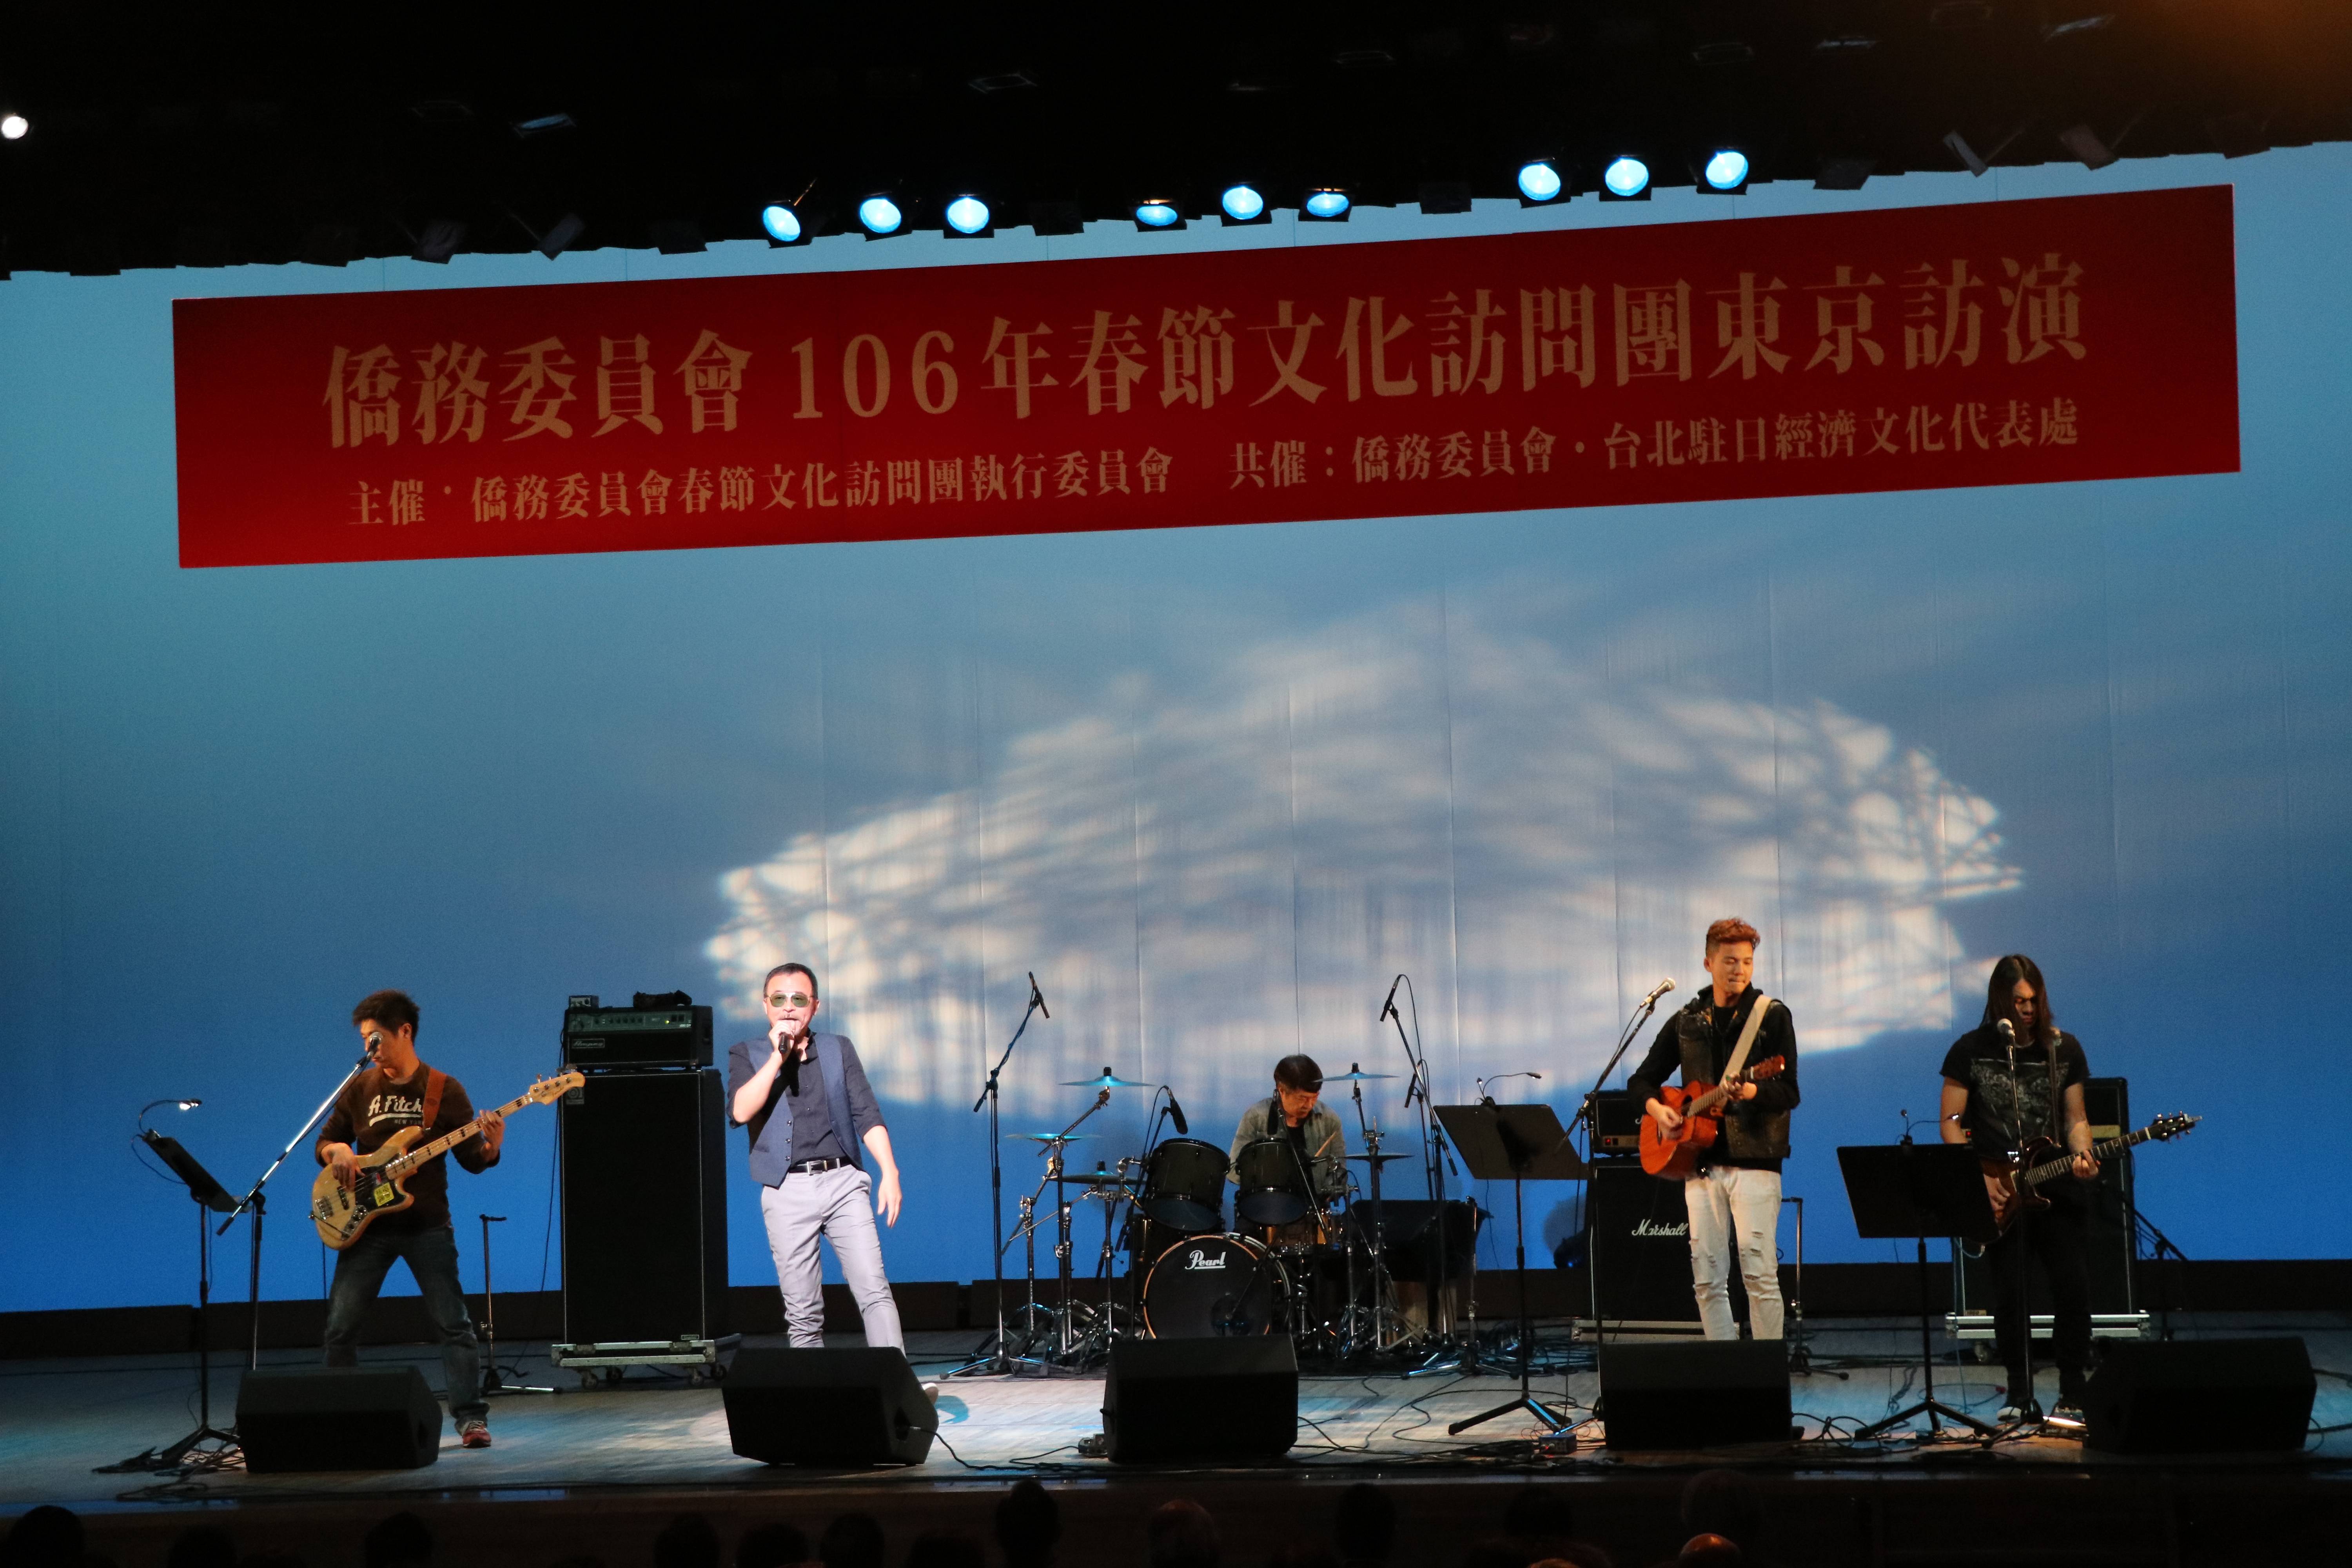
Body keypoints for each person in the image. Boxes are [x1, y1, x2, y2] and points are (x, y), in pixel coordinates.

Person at [315, 990, 502, 1448]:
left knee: (454, 1325)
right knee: (340, 1327)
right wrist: (337, 1151)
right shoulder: (359, 1088)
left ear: (405, 1032)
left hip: (426, 1226)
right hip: (366, 1225)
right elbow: (325, 1140)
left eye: (376, 1037)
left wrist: (492, 1147)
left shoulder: (443, 1089)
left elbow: (471, 1159)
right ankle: (341, 1416)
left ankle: (471, 1420)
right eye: (364, 1038)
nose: (369, 1047)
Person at [1938, 953, 2098, 1424]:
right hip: (2002, 1190)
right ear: (2000, 1001)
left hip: (2056, 1185)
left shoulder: (2063, 1048)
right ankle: (2019, 1391)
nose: (2027, 1009)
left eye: (2033, 1000)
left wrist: (2084, 1153)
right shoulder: (1970, 1049)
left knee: (2073, 1289)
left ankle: (2073, 1390)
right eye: (2018, 1001)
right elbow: (1950, 1122)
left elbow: (2076, 1118)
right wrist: (1978, 1177)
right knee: (2011, 1295)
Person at [1627, 918, 1798, 1341]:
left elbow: (1789, 1091)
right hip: (1700, 1164)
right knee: (1707, 1279)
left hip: (1756, 1162)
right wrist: (1659, 1111)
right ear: (1708, 963)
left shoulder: (1771, 1016)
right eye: (1730, 961)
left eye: (1747, 961)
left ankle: (1765, 1370)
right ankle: (1725, 1367)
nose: (1740, 969)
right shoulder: (1687, 1020)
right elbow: (1641, 1081)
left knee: (1759, 1274)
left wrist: (1752, 1089)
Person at [726, 964, 907, 1355]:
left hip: (843, 1182)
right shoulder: (747, 1053)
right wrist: (777, 1058)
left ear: (815, 1005)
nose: (789, 1007)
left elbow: (867, 1114)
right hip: (786, 1188)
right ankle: (814, 1389)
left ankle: (897, 1381)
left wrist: (889, 1172)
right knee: (803, 1312)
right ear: (765, 1005)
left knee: (874, 1289)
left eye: (799, 999)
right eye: (779, 999)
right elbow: (740, 1111)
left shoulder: (838, 1048)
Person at [1228, 1053, 1348, 1243]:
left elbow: (1339, 1170)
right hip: (1263, 1209)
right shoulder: (1256, 1117)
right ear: (1281, 1091)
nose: (1309, 1105)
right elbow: (1234, 1170)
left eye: (1315, 1097)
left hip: (1312, 1209)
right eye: (1302, 1098)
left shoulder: (1329, 1120)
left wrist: (1331, 1190)